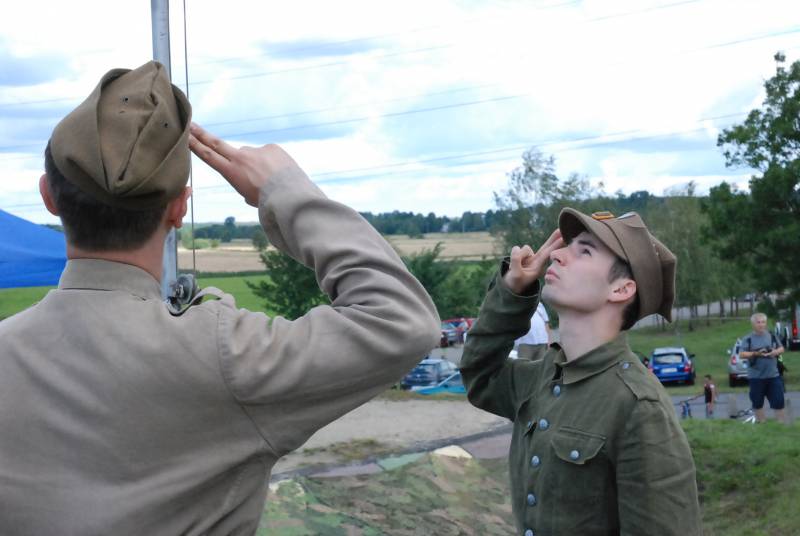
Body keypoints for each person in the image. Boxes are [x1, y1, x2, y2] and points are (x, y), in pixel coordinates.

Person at [0, 61, 440, 534]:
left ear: (48, 196)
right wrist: (284, 191)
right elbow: (403, 322)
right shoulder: (228, 356)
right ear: (179, 207)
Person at [460, 209, 701, 535]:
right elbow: (479, 374)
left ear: (621, 289)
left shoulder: (638, 406)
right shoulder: (542, 378)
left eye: (584, 251)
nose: (556, 255)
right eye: (566, 246)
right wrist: (512, 292)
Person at [740, 313, 785, 423]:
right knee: (757, 402)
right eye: (758, 322)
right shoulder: (748, 338)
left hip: (773, 376)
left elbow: (782, 349)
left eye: (763, 322)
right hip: (756, 377)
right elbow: (742, 354)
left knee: (779, 402)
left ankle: (781, 425)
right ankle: (762, 424)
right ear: (753, 324)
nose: (761, 325)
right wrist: (756, 353)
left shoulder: (772, 336)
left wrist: (774, 352)